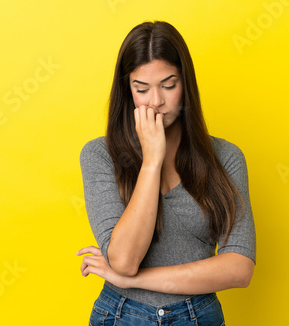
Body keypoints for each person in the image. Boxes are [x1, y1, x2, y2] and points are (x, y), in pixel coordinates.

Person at [76, 20, 256, 326]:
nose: (156, 101)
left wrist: (135, 279)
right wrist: (152, 161)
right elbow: (124, 260)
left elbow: (239, 269)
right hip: (121, 315)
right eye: (141, 89)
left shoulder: (226, 158)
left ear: (186, 85)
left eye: (168, 85)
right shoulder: (99, 155)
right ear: (127, 90)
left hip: (198, 316)